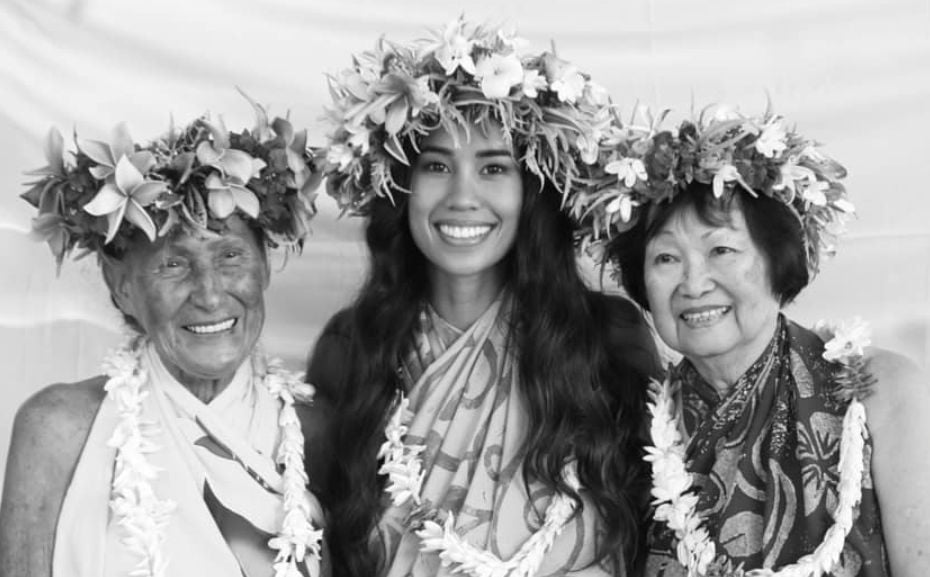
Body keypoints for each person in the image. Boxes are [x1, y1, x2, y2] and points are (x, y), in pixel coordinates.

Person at [308, 18, 660, 577]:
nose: (463, 196)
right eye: (437, 165)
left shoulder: (608, 337)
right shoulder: (353, 347)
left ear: (534, 191)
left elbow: (662, 523)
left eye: (494, 167)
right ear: (402, 185)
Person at [572, 105, 930, 576]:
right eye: (665, 259)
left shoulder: (878, 391)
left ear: (777, 261)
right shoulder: (632, 421)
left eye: (721, 249)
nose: (693, 284)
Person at [0, 104, 330, 577]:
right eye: (173, 264)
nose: (211, 294)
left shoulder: (314, 431)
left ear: (264, 266)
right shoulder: (57, 429)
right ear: (122, 286)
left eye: (231, 256)